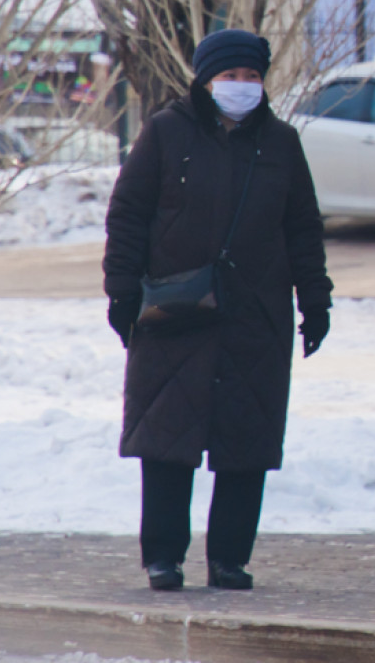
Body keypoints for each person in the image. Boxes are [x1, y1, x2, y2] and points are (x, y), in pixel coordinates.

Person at [104, 29, 333, 591]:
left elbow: (303, 227)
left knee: (245, 439)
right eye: (230, 76)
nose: (241, 86)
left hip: (256, 314)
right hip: (175, 309)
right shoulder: (165, 133)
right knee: (166, 436)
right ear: (206, 80)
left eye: (251, 77)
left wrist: (316, 298)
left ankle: (229, 559)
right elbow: (129, 213)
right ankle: (163, 556)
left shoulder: (280, 143)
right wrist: (121, 290)